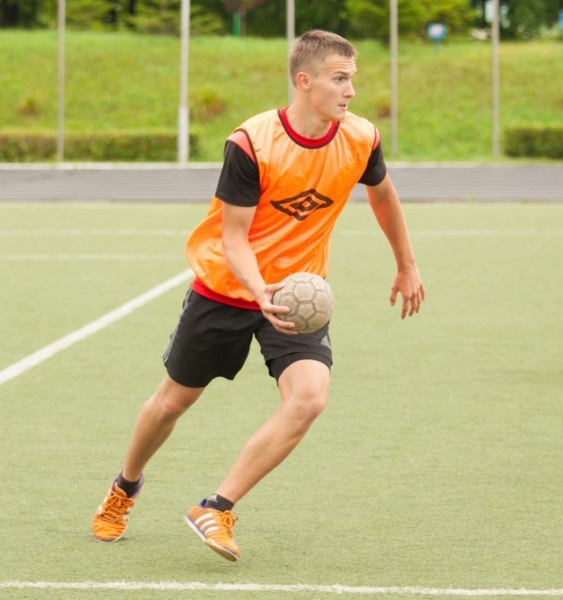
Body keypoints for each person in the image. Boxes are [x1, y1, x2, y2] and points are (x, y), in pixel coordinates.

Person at [90, 30, 426, 561]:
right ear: (304, 81)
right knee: (173, 402)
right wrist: (257, 289)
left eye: (352, 79)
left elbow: (382, 195)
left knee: (309, 399)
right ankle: (125, 487)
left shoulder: (361, 138)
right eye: (340, 79)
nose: (351, 91)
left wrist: (406, 264)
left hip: (297, 298)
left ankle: (216, 507)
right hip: (227, 289)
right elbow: (233, 236)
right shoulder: (251, 143)